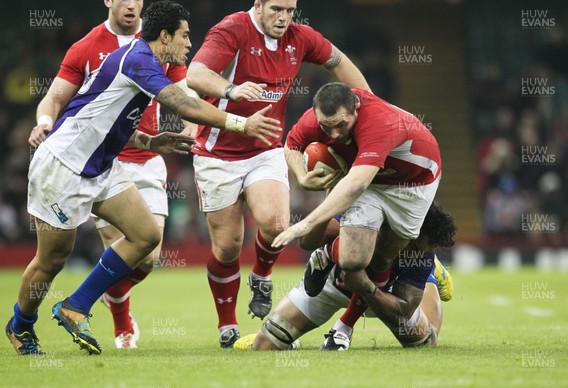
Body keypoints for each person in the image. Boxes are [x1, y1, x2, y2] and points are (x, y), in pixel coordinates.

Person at [6, 0, 280, 356]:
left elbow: (103, 114)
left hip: (101, 166)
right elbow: (183, 103)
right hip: (63, 166)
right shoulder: (139, 60)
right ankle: (21, 326)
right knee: (53, 259)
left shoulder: (142, 59)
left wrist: (149, 140)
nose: (189, 44)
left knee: (146, 235)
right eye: (184, 36)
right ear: (164, 36)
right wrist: (241, 123)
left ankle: (76, 305)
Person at [185, 0, 370, 348]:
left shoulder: (300, 37)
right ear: (258, 4)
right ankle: (227, 325)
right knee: (227, 248)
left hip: (265, 148)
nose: (284, 18)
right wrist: (231, 89)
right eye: (275, 9)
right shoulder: (233, 29)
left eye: (290, 9)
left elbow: (339, 62)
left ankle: (262, 275)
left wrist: (368, 104)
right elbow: (194, 75)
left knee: (275, 225)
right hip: (217, 152)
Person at [28, 0, 196, 350]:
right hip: (96, 160)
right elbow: (55, 98)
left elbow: (184, 96)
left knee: (147, 257)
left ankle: (97, 297)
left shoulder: (161, 44)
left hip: (145, 156)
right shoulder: (87, 47)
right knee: (64, 256)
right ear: (108, 0)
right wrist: (45, 122)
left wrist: (192, 129)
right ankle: (95, 316)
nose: (131, 4)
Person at [273, 82, 442, 338]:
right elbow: (291, 145)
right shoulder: (316, 120)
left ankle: (345, 321)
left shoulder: (379, 123)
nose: (334, 134)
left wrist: (306, 222)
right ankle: (335, 274)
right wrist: (301, 176)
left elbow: (356, 183)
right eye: (326, 126)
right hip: (370, 177)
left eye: (341, 125)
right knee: (354, 259)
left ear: (356, 109)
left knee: (385, 254)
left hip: (414, 183)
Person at [235, 202, 456, 350]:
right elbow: (311, 240)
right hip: (334, 283)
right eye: (420, 246)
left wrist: (366, 288)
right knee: (265, 346)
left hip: (384, 294)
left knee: (427, 342)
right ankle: (292, 342)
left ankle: (431, 276)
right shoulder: (367, 215)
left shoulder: (421, 255)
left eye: (429, 250)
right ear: (409, 229)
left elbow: (404, 309)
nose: (421, 253)